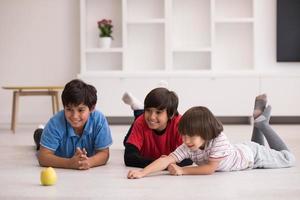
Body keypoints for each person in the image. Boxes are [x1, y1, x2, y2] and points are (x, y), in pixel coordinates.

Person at [127, 94, 295, 179]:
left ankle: (263, 124)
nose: (185, 141)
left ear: (205, 133)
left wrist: (182, 170)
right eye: (183, 135)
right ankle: (258, 123)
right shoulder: (188, 144)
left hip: (253, 157)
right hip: (244, 149)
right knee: (256, 144)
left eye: (190, 137)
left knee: (288, 158)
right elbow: (166, 159)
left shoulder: (218, 140)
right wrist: (143, 173)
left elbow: (209, 168)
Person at [33, 79, 113, 170]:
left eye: (80, 110)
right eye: (69, 109)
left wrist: (89, 162)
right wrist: (69, 163)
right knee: (39, 139)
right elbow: (43, 157)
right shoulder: (55, 122)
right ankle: (39, 132)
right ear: (64, 107)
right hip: (54, 147)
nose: (75, 116)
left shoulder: (99, 120)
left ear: (92, 108)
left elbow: (104, 153)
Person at [122, 87, 193, 168]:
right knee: (126, 142)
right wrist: (162, 164)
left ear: (171, 115)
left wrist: (159, 164)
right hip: (142, 121)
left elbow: (189, 157)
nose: (152, 116)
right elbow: (129, 158)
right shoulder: (141, 121)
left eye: (158, 112)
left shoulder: (180, 124)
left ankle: (139, 109)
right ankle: (139, 110)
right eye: (148, 110)